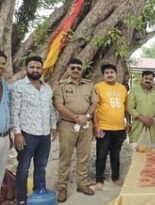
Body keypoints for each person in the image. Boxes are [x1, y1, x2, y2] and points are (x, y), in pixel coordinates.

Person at [11, 56, 57, 205]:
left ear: (41, 69)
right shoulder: (18, 86)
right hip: (27, 134)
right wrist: (17, 133)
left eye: (38, 68)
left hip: (44, 135)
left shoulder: (47, 87)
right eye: (32, 67)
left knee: (41, 166)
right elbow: (14, 112)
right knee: (23, 168)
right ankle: (22, 199)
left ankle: (39, 194)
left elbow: (50, 109)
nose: (35, 70)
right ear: (26, 68)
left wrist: (53, 127)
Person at [53, 58, 98, 202]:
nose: (76, 70)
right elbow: (59, 106)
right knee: (65, 157)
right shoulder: (60, 85)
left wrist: (87, 116)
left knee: (84, 157)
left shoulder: (89, 85)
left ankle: (82, 184)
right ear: (67, 69)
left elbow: (94, 103)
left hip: (86, 125)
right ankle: (62, 188)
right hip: (67, 125)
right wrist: (76, 117)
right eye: (73, 68)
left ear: (82, 70)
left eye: (78, 68)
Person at [93, 64, 130, 191]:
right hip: (103, 128)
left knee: (115, 154)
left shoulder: (122, 89)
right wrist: (96, 125)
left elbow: (126, 108)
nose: (109, 74)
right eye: (107, 72)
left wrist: (128, 123)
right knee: (101, 154)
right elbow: (95, 109)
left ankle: (116, 177)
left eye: (112, 72)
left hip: (119, 129)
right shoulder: (98, 87)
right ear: (103, 75)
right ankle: (99, 180)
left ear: (116, 74)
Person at [127, 70, 155, 149]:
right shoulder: (134, 91)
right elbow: (130, 107)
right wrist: (142, 118)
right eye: (146, 78)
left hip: (153, 127)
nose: (148, 81)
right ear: (142, 79)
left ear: (153, 80)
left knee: (151, 155)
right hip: (138, 127)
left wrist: (154, 119)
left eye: (150, 79)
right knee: (136, 154)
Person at [0, 51, 11, 185]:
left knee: (1, 172)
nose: (1, 66)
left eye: (3, 64)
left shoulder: (5, 85)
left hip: (5, 137)